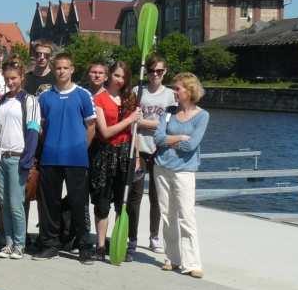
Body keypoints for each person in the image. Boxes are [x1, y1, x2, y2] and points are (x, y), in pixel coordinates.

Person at [37, 54, 97, 264]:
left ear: (72, 69)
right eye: (58, 68)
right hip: (50, 157)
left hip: (76, 158)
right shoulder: (44, 97)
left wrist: (80, 147)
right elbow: (41, 127)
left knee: (79, 204)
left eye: (65, 68)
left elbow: (91, 126)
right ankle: (50, 244)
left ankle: (84, 247)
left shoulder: (83, 95)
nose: (61, 71)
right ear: (54, 70)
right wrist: (51, 143)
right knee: (49, 204)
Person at [153, 73, 210, 278]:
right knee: (167, 214)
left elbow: (191, 145)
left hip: (184, 170)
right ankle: (172, 257)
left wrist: (171, 141)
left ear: (189, 90)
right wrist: (177, 137)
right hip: (162, 167)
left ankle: (192, 263)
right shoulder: (168, 112)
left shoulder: (202, 116)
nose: (174, 92)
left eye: (178, 89)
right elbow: (158, 138)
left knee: (186, 216)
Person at [90, 62, 142, 262]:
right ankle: (101, 245)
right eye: (117, 76)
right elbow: (104, 132)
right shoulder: (99, 99)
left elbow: (134, 132)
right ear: (110, 75)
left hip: (125, 154)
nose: (120, 80)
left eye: (123, 77)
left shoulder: (130, 98)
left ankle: (119, 243)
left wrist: (137, 155)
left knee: (123, 202)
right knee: (102, 202)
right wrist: (130, 120)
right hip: (105, 154)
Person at [128, 54, 176, 253]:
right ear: (146, 72)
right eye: (152, 71)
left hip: (159, 151)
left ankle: (154, 236)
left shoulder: (170, 95)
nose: (155, 74)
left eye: (160, 71)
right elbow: (131, 121)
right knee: (135, 195)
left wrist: (144, 122)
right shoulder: (137, 91)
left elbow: (170, 124)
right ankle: (131, 236)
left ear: (165, 72)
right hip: (139, 149)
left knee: (157, 197)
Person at [0, 61, 41, 259]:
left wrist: (27, 159)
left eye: (13, 78)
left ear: (22, 78)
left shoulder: (29, 100)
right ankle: (8, 242)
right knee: (4, 202)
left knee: (16, 203)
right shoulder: (1, 100)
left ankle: (20, 244)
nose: (10, 82)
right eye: (7, 79)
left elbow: (33, 131)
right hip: (1, 158)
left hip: (17, 157)